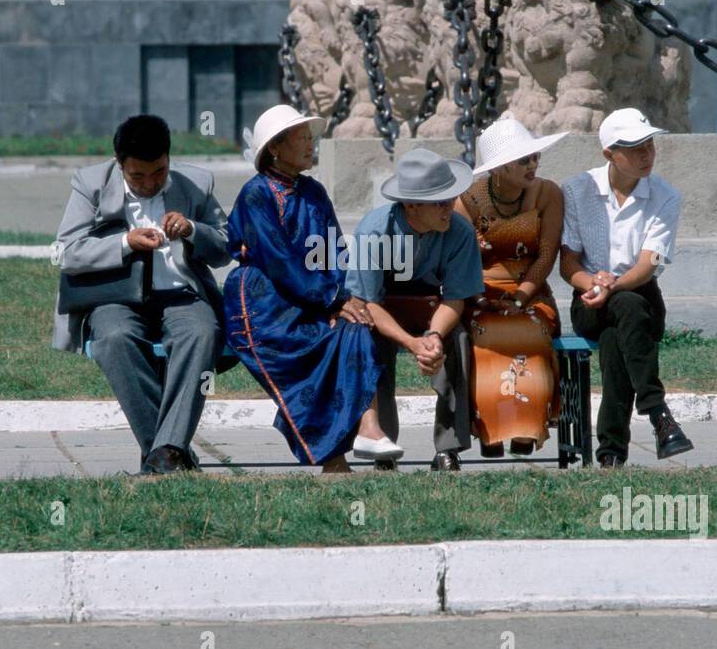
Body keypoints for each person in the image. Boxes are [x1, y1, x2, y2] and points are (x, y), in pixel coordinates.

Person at [51, 115, 231, 475]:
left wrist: (193, 230)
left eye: (159, 172)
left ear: (168, 158)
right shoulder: (91, 184)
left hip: (180, 293)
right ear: (120, 164)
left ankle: (162, 452)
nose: (150, 183)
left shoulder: (195, 183)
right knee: (115, 339)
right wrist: (124, 242)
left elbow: (226, 247)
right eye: (138, 176)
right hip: (115, 298)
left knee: (202, 333)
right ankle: (170, 451)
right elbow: (66, 252)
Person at [224, 105, 391, 474]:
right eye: (302, 139)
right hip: (263, 306)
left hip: (314, 299)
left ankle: (368, 429)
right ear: (276, 148)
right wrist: (330, 299)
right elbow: (277, 259)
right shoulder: (257, 195)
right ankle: (334, 461)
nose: (310, 146)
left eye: (310, 138)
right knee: (310, 364)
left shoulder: (313, 191)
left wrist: (345, 297)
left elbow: (334, 249)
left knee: (355, 330)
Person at [559, 108, 694, 466]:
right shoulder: (576, 190)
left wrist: (613, 285)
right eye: (635, 148)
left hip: (640, 297)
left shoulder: (665, 196)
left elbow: (648, 264)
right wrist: (593, 284)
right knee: (625, 314)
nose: (646, 154)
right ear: (609, 154)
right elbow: (568, 262)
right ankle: (658, 413)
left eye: (649, 144)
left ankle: (611, 455)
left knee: (618, 334)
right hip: (589, 300)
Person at [346, 148, 484, 472]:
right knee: (367, 343)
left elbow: (455, 298)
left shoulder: (460, 231)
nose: (449, 206)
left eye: (451, 197)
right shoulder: (374, 231)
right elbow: (367, 304)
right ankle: (383, 444)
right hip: (379, 310)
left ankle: (448, 448)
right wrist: (411, 343)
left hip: (432, 308)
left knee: (458, 341)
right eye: (439, 201)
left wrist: (434, 336)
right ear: (410, 205)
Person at [455, 114, 566, 458]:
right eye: (523, 160)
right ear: (499, 167)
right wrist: (482, 298)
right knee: (484, 336)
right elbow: (463, 261)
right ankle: (491, 429)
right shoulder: (468, 201)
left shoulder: (548, 193)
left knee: (531, 332)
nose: (532, 164)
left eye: (535, 158)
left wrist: (520, 298)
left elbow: (547, 256)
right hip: (480, 294)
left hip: (530, 291)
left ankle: (526, 427)